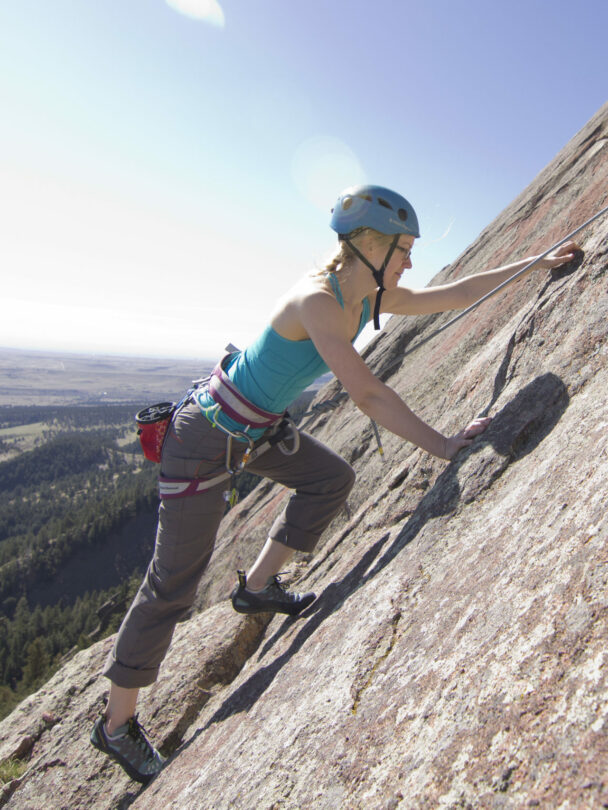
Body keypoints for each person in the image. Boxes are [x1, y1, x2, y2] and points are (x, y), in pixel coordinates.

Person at [90, 185, 577, 783]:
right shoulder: (319, 300)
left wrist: (536, 260)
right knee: (173, 585)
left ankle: (257, 587)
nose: (410, 262)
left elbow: (451, 295)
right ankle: (114, 726)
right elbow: (367, 393)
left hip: (253, 429)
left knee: (331, 479)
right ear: (370, 244)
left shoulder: (367, 291)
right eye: (404, 249)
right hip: (203, 437)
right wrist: (446, 446)